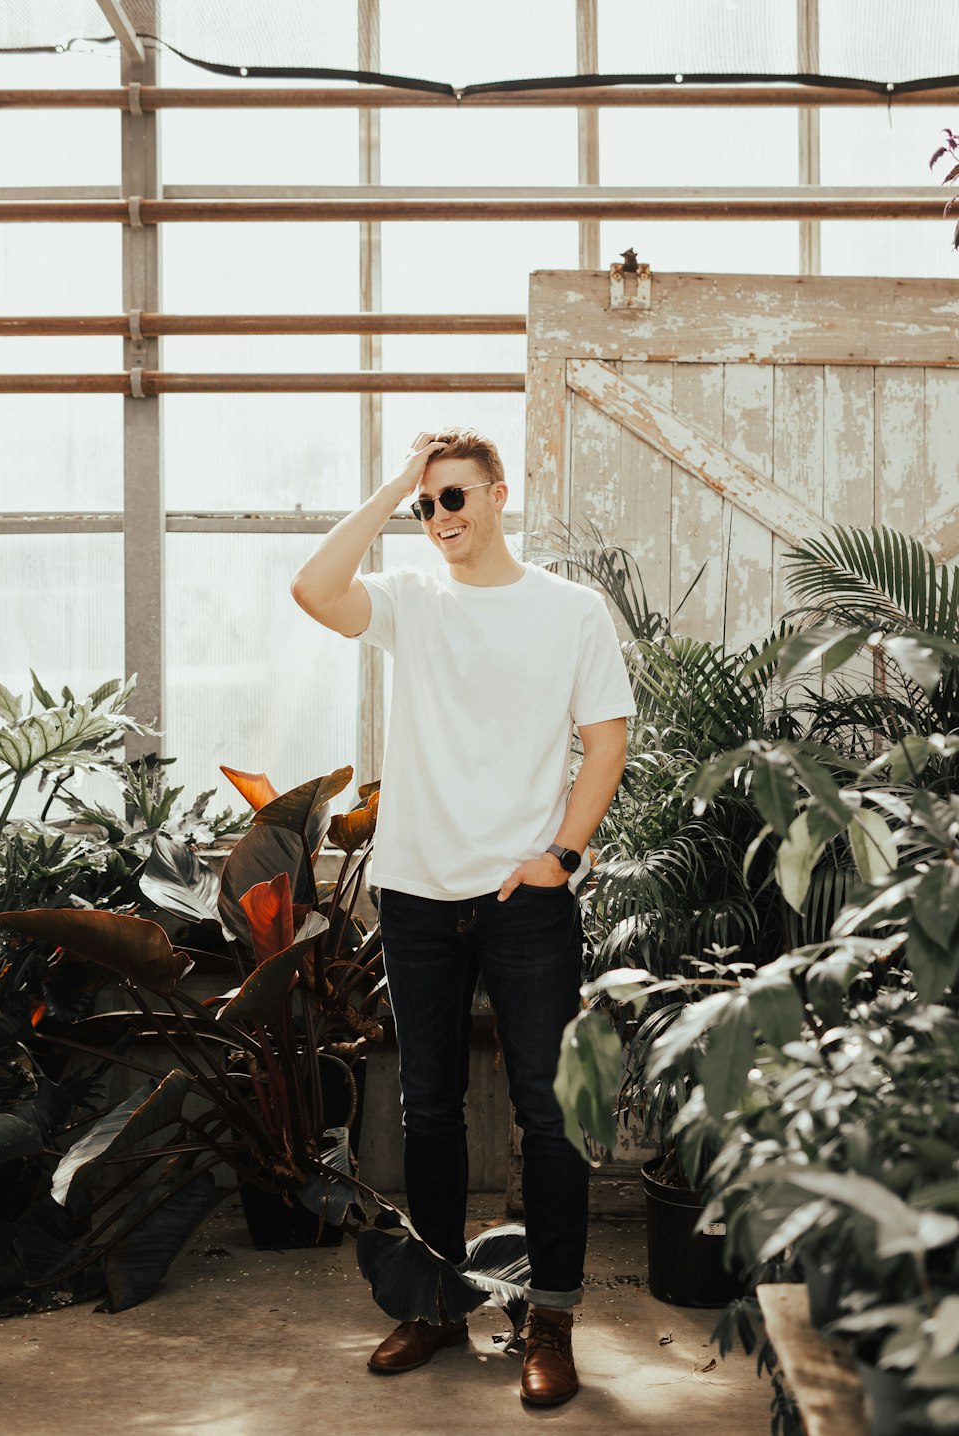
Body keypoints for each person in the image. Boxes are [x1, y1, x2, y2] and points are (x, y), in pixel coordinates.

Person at [291, 427, 635, 1406]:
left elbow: (603, 746)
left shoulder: (569, 611)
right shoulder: (409, 601)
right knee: (426, 1112)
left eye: (453, 497)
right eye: (425, 504)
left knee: (548, 1112)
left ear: (496, 494)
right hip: (415, 892)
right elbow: (314, 589)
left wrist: (559, 859)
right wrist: (394, 481)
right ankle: (439, 1303)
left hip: (524, 904)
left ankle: (550, 1317)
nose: (439, 518)